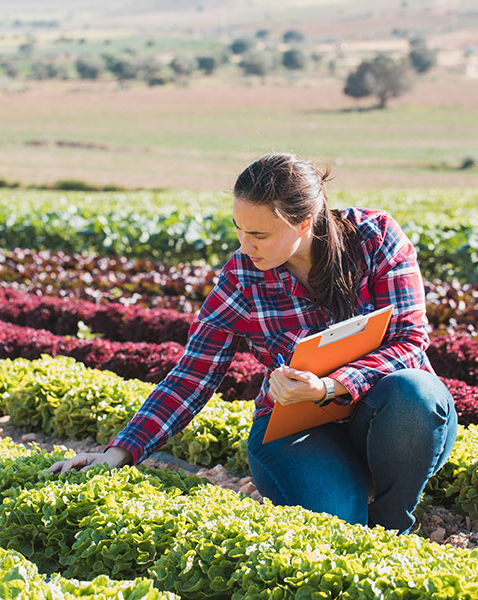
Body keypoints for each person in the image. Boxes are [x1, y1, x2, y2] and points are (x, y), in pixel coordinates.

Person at [49, 153, 457, 534]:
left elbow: (408, 341)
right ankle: (343, 489)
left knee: (415, 391)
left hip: (393, 417)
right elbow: (192, 375)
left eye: (259, 233)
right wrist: (120, 451)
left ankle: (391, 524)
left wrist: (331, 385)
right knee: (338, 527)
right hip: (297, 430)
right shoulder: (242, 278)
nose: (245, 246)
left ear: (304, 223)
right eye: (239, 230)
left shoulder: (375, 239)